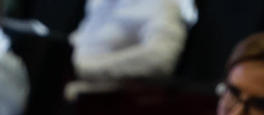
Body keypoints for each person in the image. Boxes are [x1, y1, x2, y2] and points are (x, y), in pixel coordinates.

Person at [68, 0, 197, 89]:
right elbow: (83, 41)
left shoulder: (162, 5)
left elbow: (160, 59)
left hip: (102, 100)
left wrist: (83, 68)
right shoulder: (101, 3)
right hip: (70, 80)